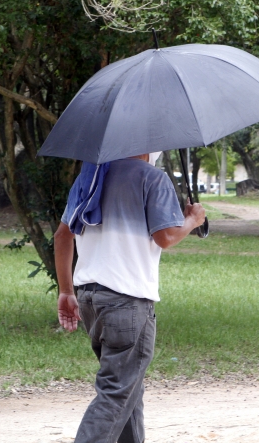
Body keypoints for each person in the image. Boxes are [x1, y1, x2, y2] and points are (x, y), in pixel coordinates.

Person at [55, 153, 206, 443]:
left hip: (89, 299)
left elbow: (63, 236)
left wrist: (65, 291)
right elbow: (166, 237)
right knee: (116, 393)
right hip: (127, 303)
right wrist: (192, 220)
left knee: (127, 389)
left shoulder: (90, 178)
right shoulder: (152, 177)